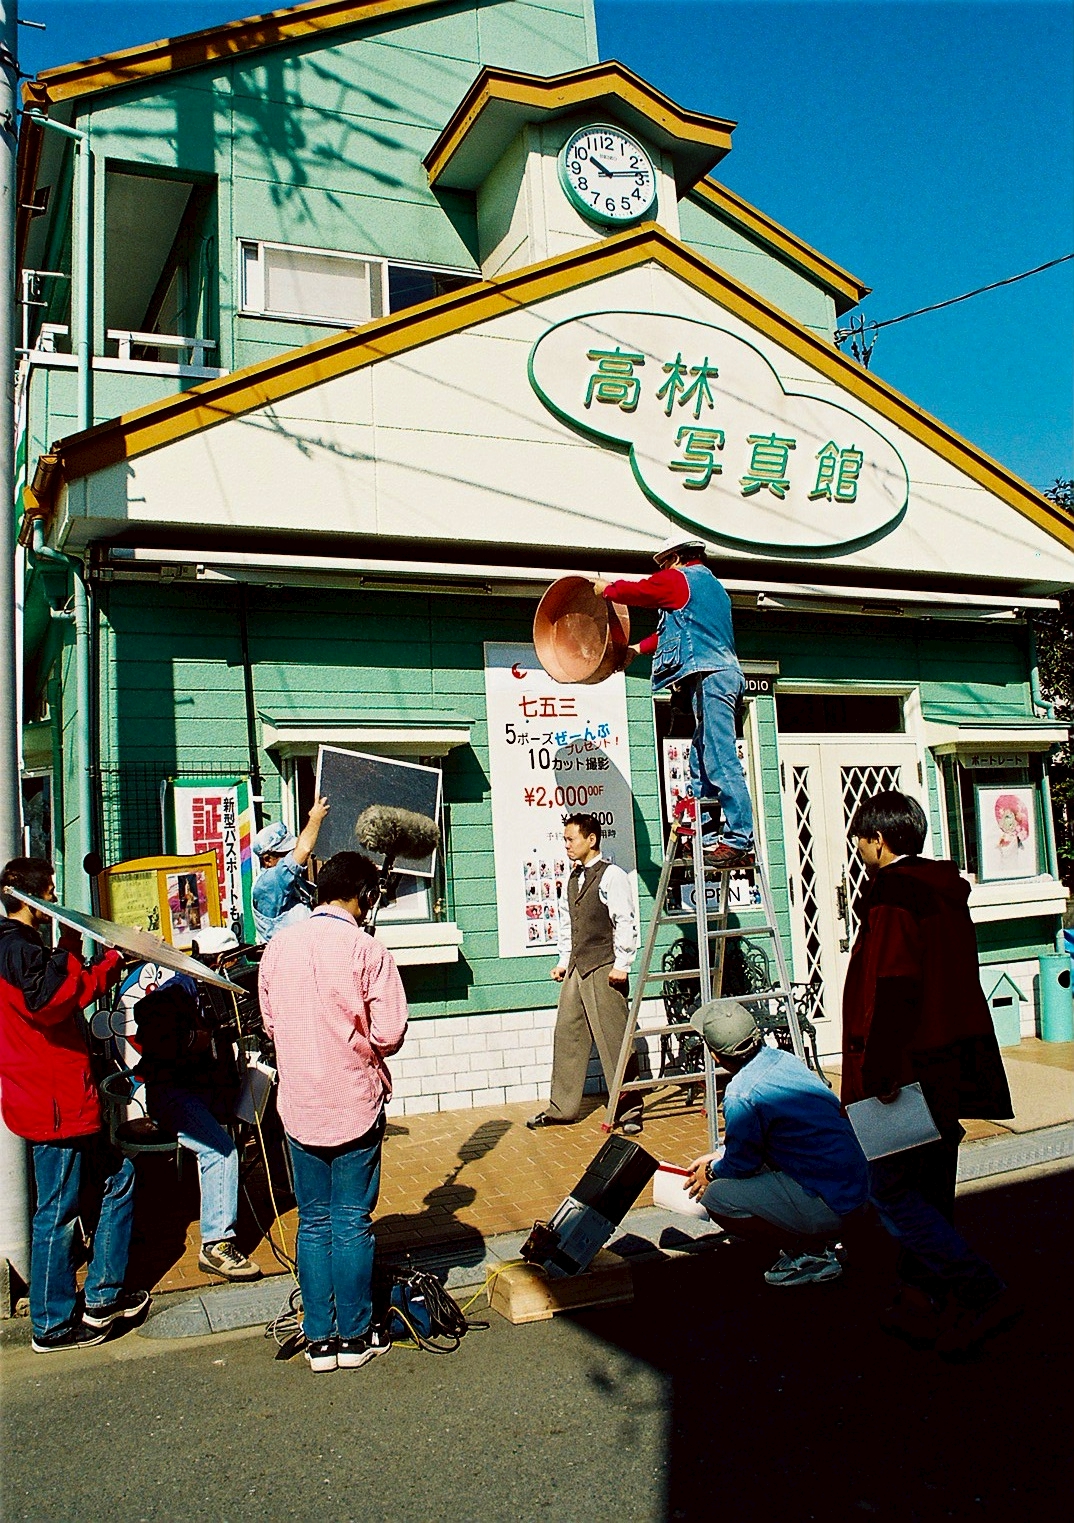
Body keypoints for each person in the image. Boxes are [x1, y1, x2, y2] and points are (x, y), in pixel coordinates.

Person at [842, 790, 1021, 1355]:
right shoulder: (945, 892)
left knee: (892, 1189)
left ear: (880, 839)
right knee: (932, 1183)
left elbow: (895, 984)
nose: (862, 852)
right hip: (950, 1054)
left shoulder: (894, 897)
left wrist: (881, 1068)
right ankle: (923, 1297)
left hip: (907, 1062)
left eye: (863, 842)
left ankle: (981, 1290)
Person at [259, 851, 408, 1374]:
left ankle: (319, 1337)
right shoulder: (368, 950)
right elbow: (389, 1034)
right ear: (362, 896)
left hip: (298, 1101)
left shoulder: (278, 946)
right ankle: (357, 1332)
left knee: (314, 1222)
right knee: (351, 1221)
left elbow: (272, 1024)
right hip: (353, 1100)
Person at [0, 857, 149, 1351]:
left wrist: (67, 945)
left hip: (49, 1094)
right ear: (31, 897)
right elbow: (54, 1001)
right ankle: (52, 1324)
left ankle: (103, 1296)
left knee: (117, 1179)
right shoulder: (17, 950)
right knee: (58, 1212)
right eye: (49, 890)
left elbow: (50, 982)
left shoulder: (16, 947)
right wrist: (107, 965)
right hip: (54, 1101)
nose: (54, 897)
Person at [594, 534, 754, 867]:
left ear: (677, 558)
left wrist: (607, 589)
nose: (663, 569)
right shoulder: (711, 588)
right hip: (714, 676)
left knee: (721, 759)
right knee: (701, 759)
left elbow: (642, 591)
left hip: (711, 676)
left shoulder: (681, 579)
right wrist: (637, 649)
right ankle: (707, 837)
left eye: (665, 562)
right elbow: (672, 633)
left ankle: (738, 838)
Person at [686, 1000, 870, 1287]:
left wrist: (710, 1172)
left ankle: (812, 1255)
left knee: (717, 1197)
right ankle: (825, 1240)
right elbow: (756, 1143)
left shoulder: (739, 1094)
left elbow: (741, 1164)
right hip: (857, 1188)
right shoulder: (782, 1060)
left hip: (833, 1202)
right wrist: (717, 1156)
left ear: (714, 1055)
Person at [133, 970, 261, 1282]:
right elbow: (145, 1013)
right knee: (221, 1151)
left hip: (200, 1092)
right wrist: (191, 1038)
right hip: (173, 1095)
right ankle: (217, 1243)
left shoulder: (204, 994)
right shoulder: (181, 988)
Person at [527, 813, 642, 1134]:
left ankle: (630, 1109)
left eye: (571, 839)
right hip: (578, 967)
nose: (566, 845)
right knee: (567, 1035)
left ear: (591, 840)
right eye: (564, 839)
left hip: (606, 967)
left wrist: (623, 964)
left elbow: (625, 921)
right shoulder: (573, 879)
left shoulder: (612, 876)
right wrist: (564, 962)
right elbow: (568, 926)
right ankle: (561, 1108)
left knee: (615, 1040)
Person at [252, 796, 330, 942]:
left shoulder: (294, 882)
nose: (293, 855)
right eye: (286, 853)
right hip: (291, 958)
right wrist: (315, 819)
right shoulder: (269, 883)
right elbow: (304, 849)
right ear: (268, 860)